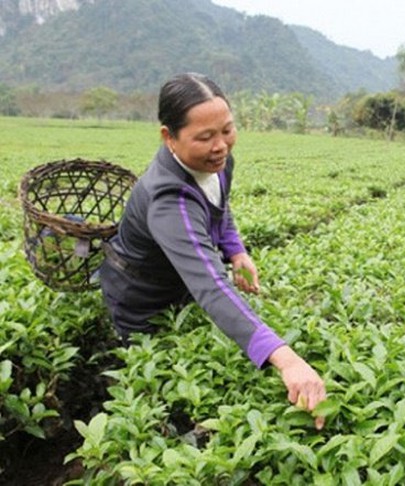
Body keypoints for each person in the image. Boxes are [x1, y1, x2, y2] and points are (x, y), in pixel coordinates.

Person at [99, 73, 326, 428]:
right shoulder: (168, 198)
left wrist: (236, 250)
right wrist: (287, 359)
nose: (221, 145)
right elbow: (211, 285)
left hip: (179, 281)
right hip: (139, 294)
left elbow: (218, 208)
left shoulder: (217, 163)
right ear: (168, 137)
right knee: (153, 380)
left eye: (227, 130)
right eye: (205, 137)